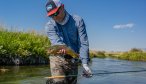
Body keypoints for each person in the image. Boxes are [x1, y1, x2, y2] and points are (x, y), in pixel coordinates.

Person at [45, 0, 92, 84]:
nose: (54, 17)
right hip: (57, 59)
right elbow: (57, 43)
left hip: (73, 59)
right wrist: (63, 49)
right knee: (58, 82)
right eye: (51, 15)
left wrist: (84, 64)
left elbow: (83, 43)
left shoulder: (78, 20)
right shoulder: (49, 26)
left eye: (55, 13)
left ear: (62, 7)